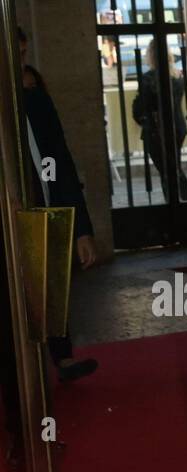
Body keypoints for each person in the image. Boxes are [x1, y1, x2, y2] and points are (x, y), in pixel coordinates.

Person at [16, 27, 99, 386]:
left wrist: (81, 229)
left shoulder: (34, 97)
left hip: (45, 212)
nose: (20, 63)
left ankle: (61, 358)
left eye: (22, 53)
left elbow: (59, 162)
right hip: (14, 218)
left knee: (50, 287)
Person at [132, 37, 187, 203]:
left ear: (150, 55)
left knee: (166, 169)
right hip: (177, 127)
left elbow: (142, 106)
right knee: (173, 163)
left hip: (156, 130)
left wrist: (139, 114)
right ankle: (183, 199)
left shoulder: (148, 78)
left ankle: (174, 203)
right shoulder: (178, 76)